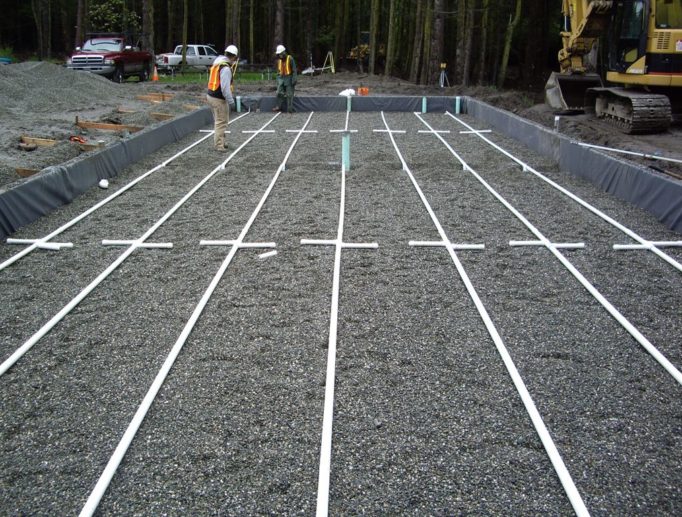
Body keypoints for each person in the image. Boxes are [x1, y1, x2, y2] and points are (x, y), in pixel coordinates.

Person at [206, 44, 239, 151]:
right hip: (218, 98)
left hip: (211, 95)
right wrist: (231, 102)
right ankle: (219, 145)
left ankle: (222, 142)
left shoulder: (218, 63)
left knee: (220, 120)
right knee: (221, 122)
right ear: (234, 57)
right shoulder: (225, 68)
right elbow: (225, 88)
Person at [274, 44, 297, 113]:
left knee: (289, 95)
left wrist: (294, 79)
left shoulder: (290, 58)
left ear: (283, 53)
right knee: (279, 92)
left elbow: (294, 70)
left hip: (289, 78)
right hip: (281, 78)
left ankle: (290, 110)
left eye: (280, 54)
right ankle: (279, 107)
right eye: (278, 54)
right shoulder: (279, 61)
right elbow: (278, 71)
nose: (279, 55)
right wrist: (278, 80)